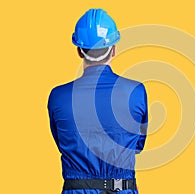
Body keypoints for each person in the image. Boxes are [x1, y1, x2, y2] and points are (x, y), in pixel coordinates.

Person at [47, 9, 148, 194]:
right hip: (122, 189)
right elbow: (138, 145)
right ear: (114, 49)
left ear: (79, 51)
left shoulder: (58, 97)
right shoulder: (136, 92)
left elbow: (62, 142)